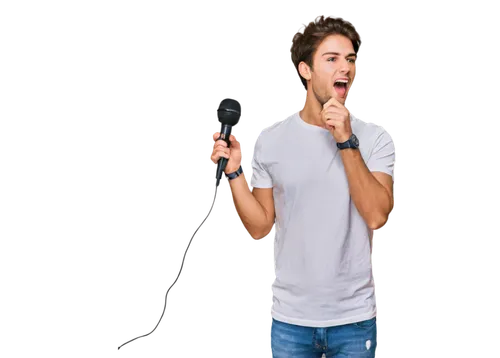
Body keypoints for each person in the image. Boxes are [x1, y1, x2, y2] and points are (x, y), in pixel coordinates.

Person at [209, 14, 397, 357]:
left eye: (351, 59)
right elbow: (259, 227)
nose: (346, 68)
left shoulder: (374, 139)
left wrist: (345, 140)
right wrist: (235, 174)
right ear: (305, 70)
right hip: (290, 321)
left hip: (354, 320)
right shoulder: (271, 142)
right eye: (332, 59)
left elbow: (376, 217)